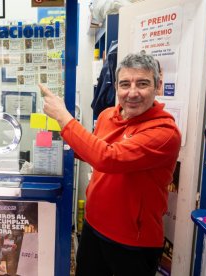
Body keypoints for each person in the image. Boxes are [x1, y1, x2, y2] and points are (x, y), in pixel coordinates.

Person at [38, 52, 181, 276]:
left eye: (142, 83)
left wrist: (64, 118)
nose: (132, 93)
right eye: (125, 84)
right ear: (116, 87)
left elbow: (108, 158)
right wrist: (52, 145)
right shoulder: (106, 116)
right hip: (94, 227)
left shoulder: (164, 133)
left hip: (133, 242)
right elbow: (92, 152)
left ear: (158, 86)